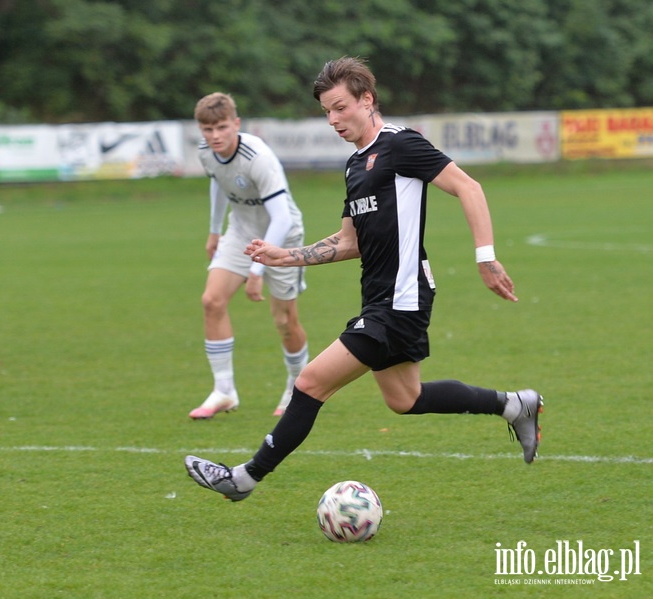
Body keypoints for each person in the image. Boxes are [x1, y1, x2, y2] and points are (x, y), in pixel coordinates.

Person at [185, 57, 543, 501]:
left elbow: (468, 187)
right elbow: (347, 241)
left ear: (367, 99)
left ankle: (244, 479)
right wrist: (284, 256)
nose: (333, 120)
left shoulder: (401, 145)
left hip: (402, 297)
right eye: (326, 112)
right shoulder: (356, 166)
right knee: (405, 399)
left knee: (310, 383)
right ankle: (515, 404)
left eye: (340, 107)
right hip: (380, 295)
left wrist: (485, 258)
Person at [188, 92, 309, 419]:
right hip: (241, 232)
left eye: (222, 127)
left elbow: (282, 218)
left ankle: (300, 387)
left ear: (236, 124)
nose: (214, 136)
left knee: (284, 321)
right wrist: (215, 231)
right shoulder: (207, 153)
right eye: (207, 129)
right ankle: (224, 391)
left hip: (282, 237)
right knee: (212, 301)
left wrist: (256, 272)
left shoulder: (258, 157)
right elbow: (219, 182)